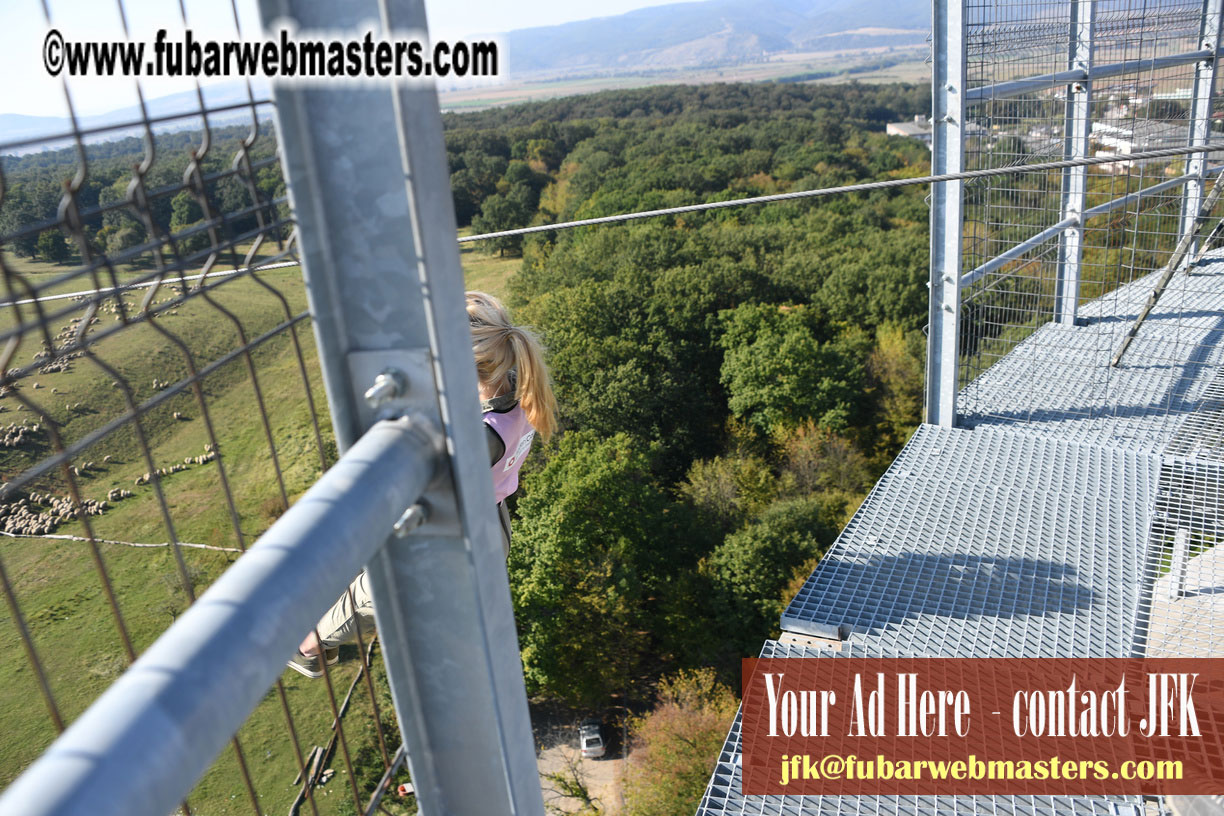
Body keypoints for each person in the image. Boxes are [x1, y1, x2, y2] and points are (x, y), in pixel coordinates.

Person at [287, 291, 557, 678]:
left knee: (379, 585)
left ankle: (308, 645)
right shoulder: (517, 387)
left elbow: (429, 479)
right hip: (491, 523)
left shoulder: (482, 437)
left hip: (460, 535)